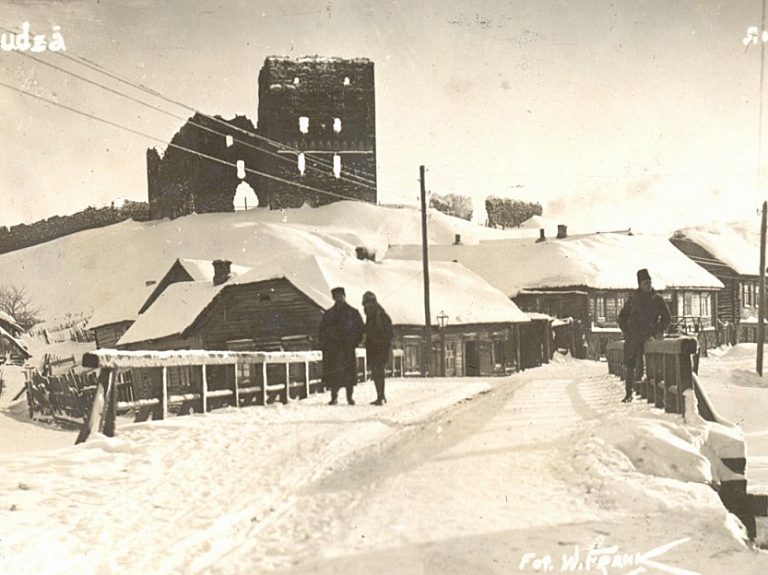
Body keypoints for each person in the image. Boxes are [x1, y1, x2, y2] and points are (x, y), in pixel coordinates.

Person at [617, 268, 671, 403]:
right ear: (640, 284)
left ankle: (651, 395)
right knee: (630, 364)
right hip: (633, 337)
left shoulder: (657, 299)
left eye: (650, 282)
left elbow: (667, 317)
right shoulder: (633, 299)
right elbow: (622, 317)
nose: (649, 285)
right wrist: (627, 330)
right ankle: (629, 393)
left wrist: (657, 330)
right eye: (646, 282)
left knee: (650, 365)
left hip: (648, 336)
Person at [318, 286, 364, 405]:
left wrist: (354, 342)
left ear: (344, 296)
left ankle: (350, 398)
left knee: (348, 375)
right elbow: (322, 331)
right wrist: (325, 345)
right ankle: (334, 397)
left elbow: (360, 329)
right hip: (333, 350)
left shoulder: (353, 313)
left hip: (347, 349)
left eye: (340, 296)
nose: (338, 299)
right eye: (336, 297)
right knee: (334, 374)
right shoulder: (328, 314)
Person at [362, 291, 393, 405]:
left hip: (381, 348)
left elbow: (389, 333)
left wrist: (382, 342)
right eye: (365, 303)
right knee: (375, 373)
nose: (367, 305)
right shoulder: (370, 317)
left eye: (368, 303)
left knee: (379, 371)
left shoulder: (381, 315)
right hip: (372, 349)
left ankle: (381, 396)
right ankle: (380, 396)